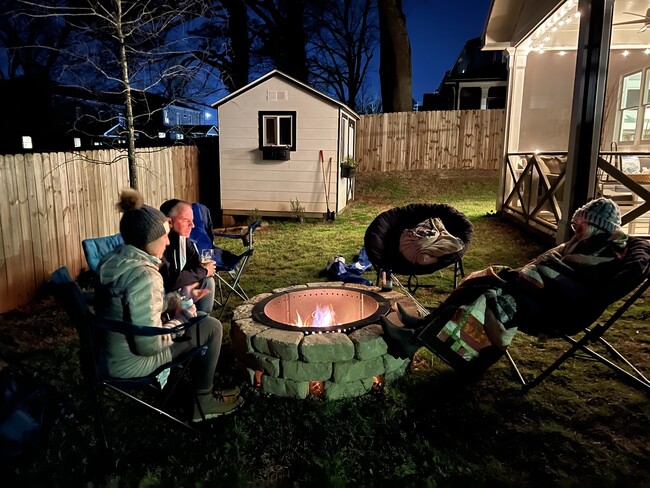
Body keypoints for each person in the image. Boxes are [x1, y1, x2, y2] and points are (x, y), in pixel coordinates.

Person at [381, 197, 632, 374]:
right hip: (539, 291)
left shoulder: (604, 256)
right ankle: (424, 324)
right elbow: (556, 260)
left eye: (581, 226)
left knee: (484, 295)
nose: (575, 230)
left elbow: (568, 283)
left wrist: (529, 278)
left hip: (552, 306)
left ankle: (413, 341)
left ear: (597, 227)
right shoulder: (589, 243)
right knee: (479, 279)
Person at [95, 189, 243, 421]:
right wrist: (182, 319)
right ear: (149, 240)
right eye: (164, 235)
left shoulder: (116, 260)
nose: (167, 240)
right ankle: (203, 401)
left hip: (108, 353)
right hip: (131, 363)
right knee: (211, 328)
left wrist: (173, 301)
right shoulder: (145, 275)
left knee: (201, 321)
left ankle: (199, 382)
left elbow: (134, 302)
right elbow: (149, 345)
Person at [159, 199, 216, 315]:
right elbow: (172, 281)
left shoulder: (183, 239)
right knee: (204, 276)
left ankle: (201, 318)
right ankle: (196, 322)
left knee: (208, 281)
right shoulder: (158, 244)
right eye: (186, 220)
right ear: (169, 222)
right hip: (163, 296)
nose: (192, 225)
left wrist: (200, 272)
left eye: (192, 220)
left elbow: (196, 263)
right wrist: (204, 270)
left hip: (179, 289)